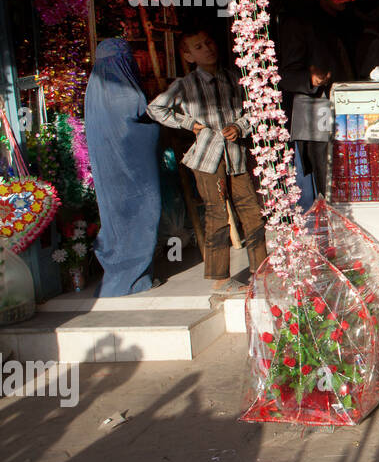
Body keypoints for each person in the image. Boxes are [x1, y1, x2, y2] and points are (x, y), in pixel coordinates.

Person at [147, 30, 267, 293]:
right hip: (206, 159)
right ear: (189, 56)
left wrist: (240, 126)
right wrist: (189, 124)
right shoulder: (185, 84)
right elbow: (156, 108)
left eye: (209, 42)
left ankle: (261, 270)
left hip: (235, 155)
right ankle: (220, 278)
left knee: (251, 211)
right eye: (198, 46)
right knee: (216, 213)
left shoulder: (236, 78)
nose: (207, 48)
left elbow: (254, 109)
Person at [83, 38, 162, 297]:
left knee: (114, 216)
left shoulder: (93, 90)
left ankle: (118, 275)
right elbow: (139, 114)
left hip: (108, 170)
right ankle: (135, 278)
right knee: (142, 212)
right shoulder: (126, 90)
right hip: (134, 169)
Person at [277, 0, 352, 209]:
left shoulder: (341, 21)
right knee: (327, 178)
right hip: (319, 114)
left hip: (346, 111)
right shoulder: (299, 24)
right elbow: (286, 75)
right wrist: (311, 80)